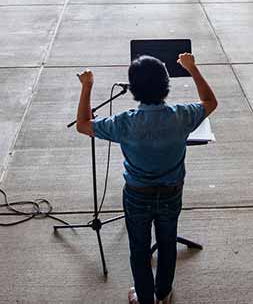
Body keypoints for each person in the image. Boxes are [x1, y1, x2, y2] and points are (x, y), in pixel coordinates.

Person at [75, 53, 218, 304]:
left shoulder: (124, 123)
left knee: (139, 250)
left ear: (133, 89)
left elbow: (84, 124)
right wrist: (192, 68)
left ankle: (144, 298)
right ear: (166, 85)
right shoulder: (182, 115)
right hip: (171, 193)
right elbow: (210, 101)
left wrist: (87, 86)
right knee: (167, 244)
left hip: (137, 195)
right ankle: (163, 293)